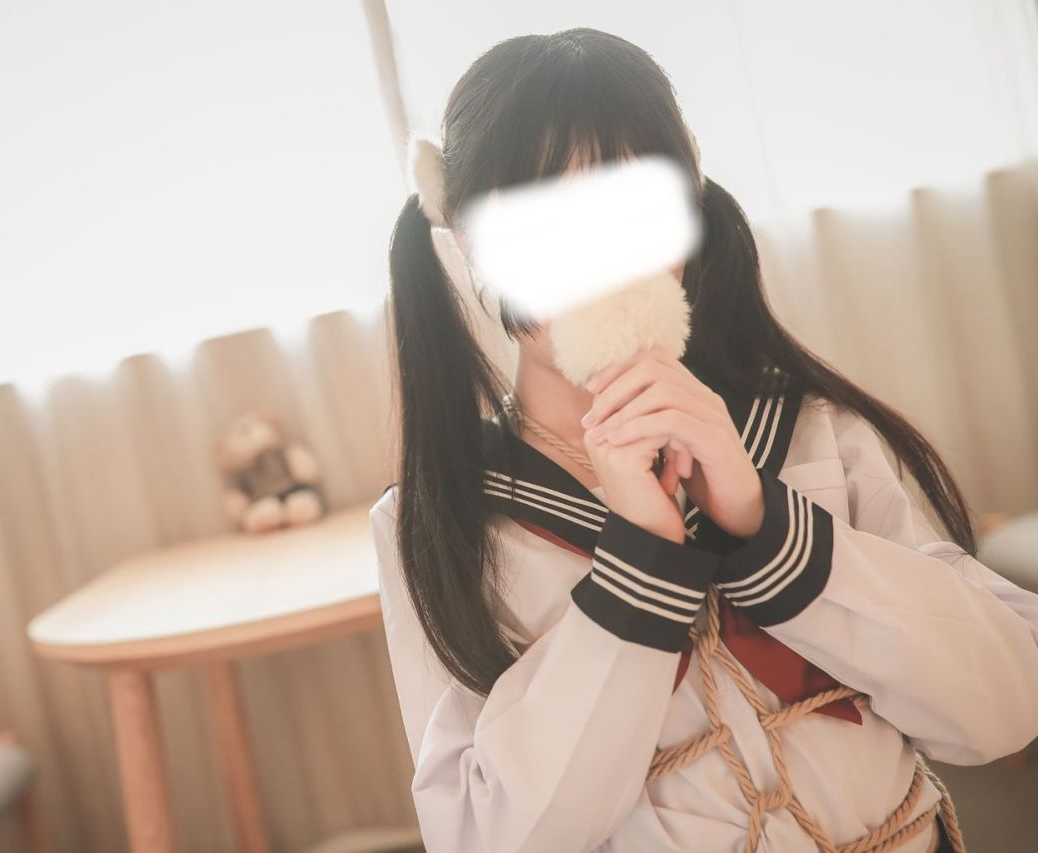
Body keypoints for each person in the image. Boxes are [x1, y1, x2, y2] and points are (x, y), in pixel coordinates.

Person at [371, 27, 1038, 853]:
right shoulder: (437, 520)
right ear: (473, 244)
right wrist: (640, 564)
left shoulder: (808, 430)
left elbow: (1007, 703)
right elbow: (488, 837)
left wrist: (766, 523)